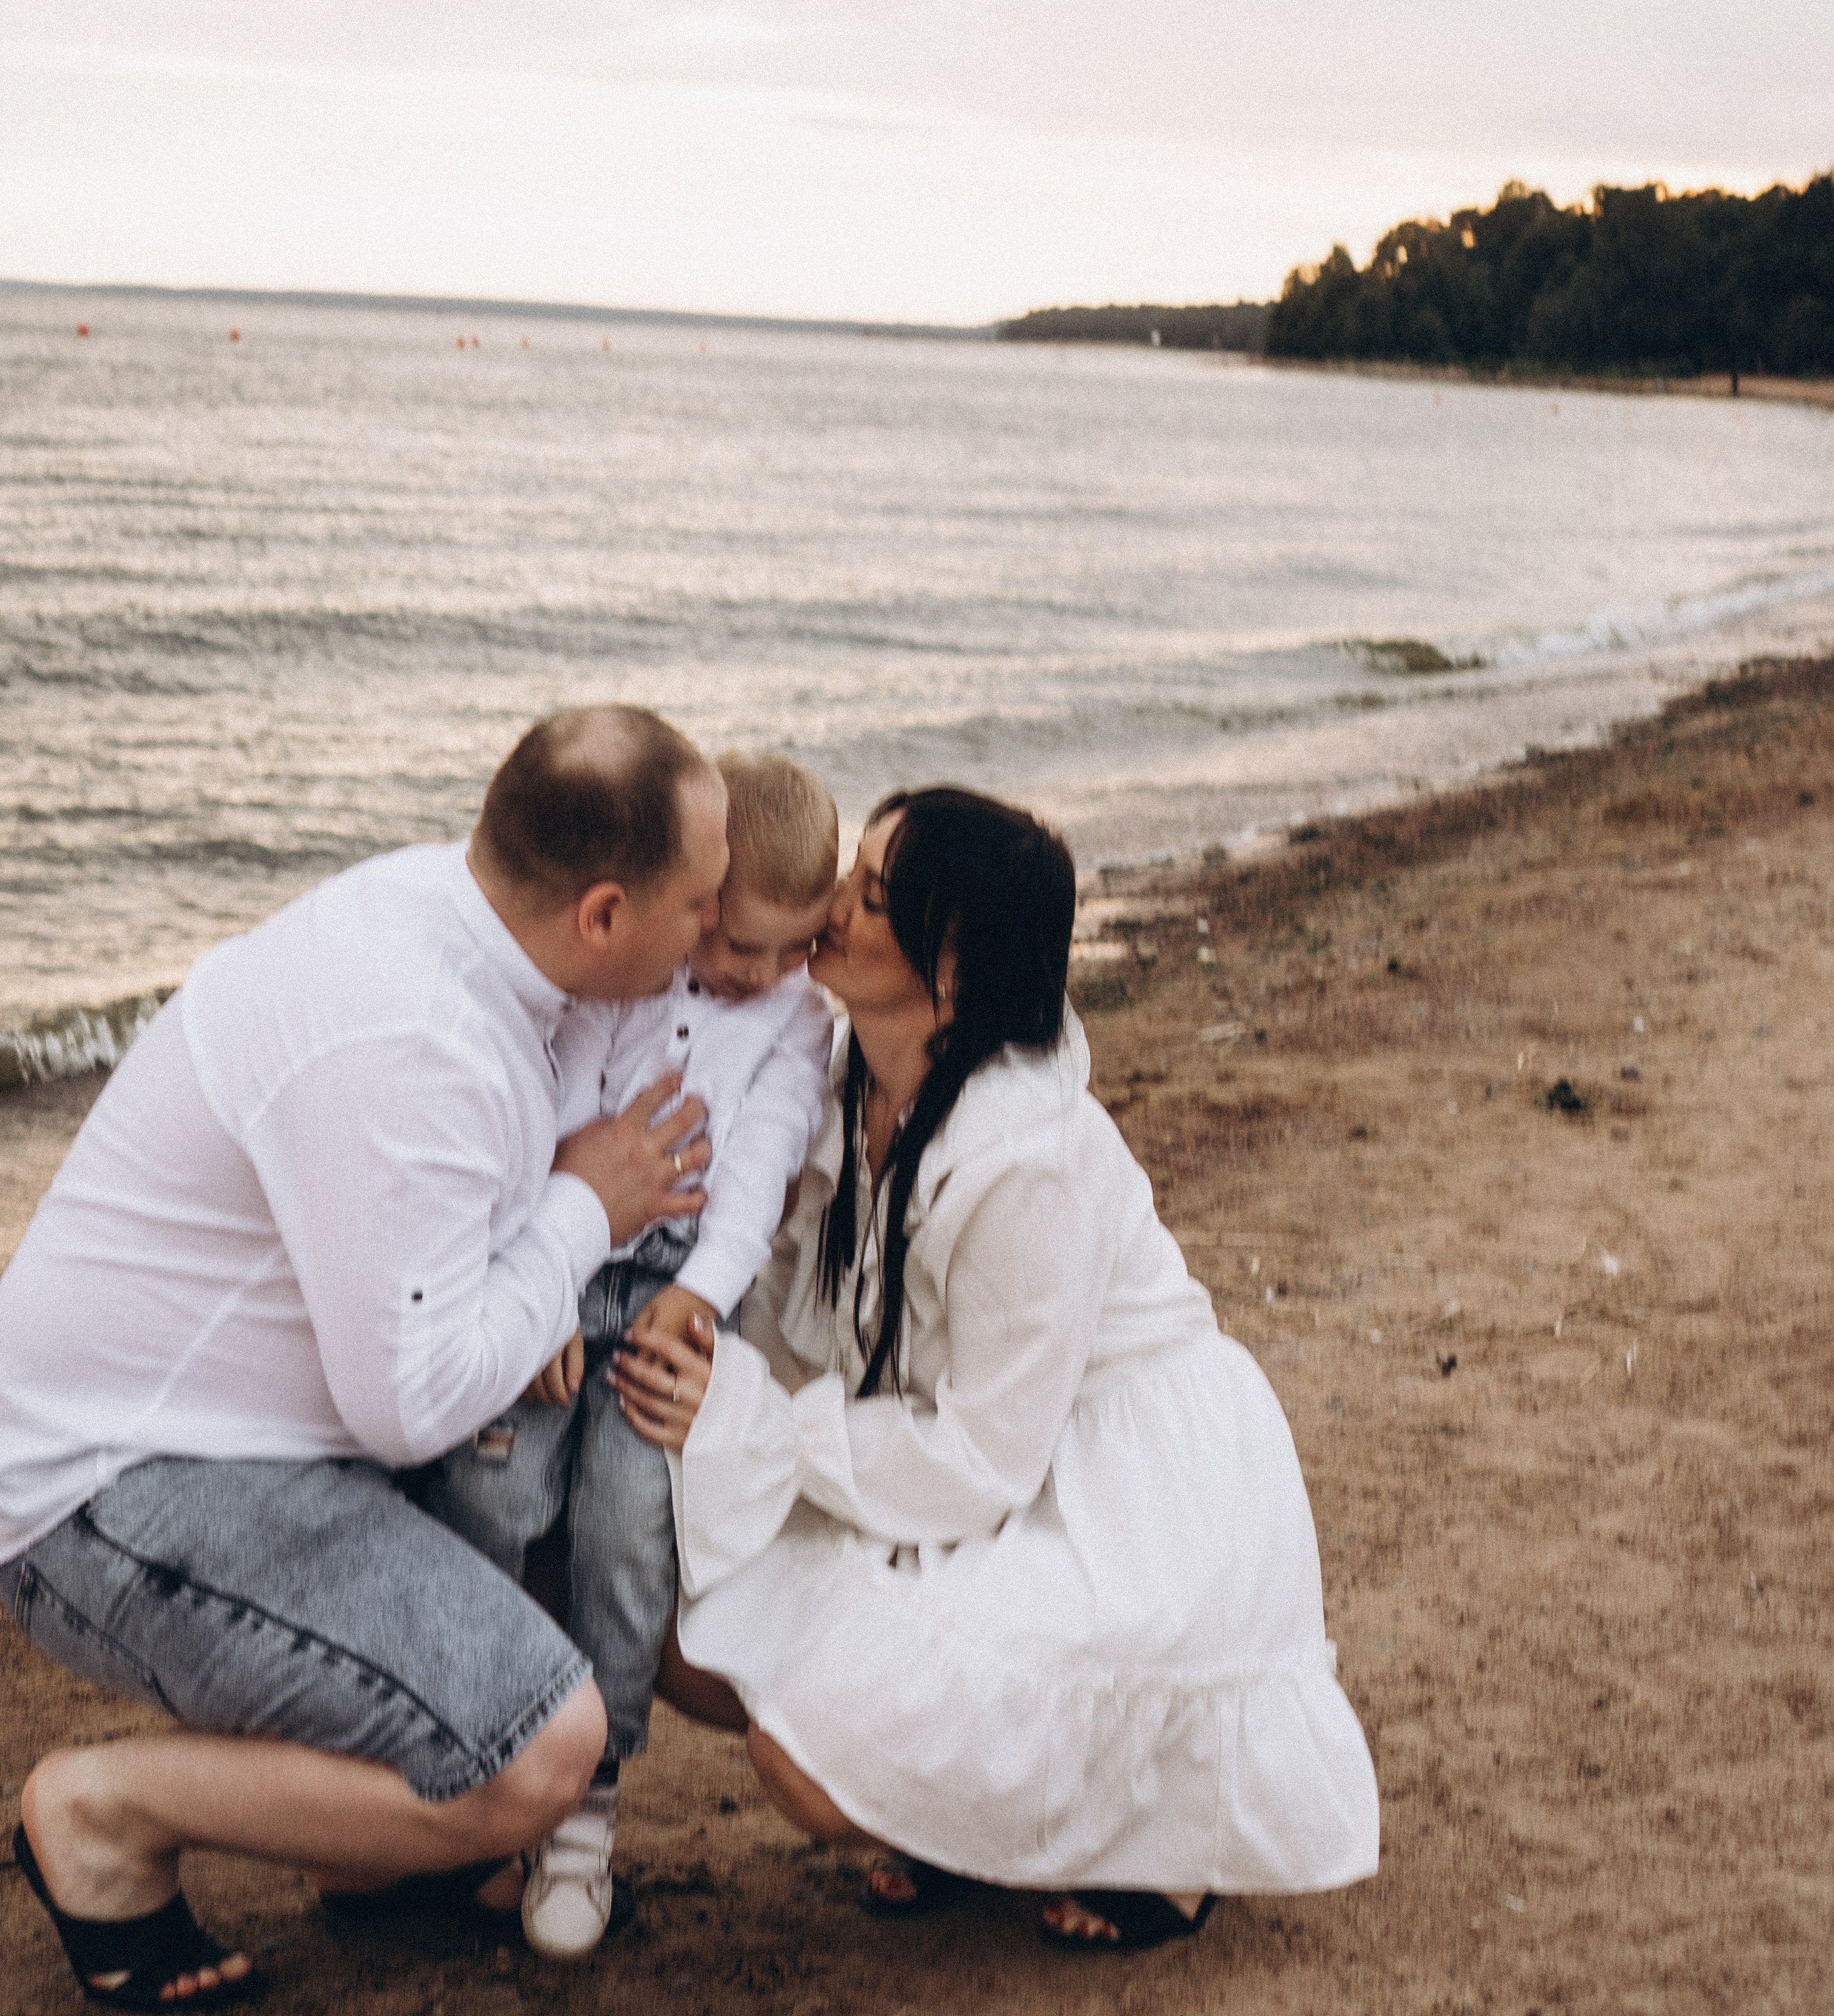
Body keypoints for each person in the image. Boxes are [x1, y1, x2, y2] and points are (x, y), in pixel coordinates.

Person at [0, 704, 728, 2009]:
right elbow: (414, 1403)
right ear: (605, 916)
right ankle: (103, 1818)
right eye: (701, 905)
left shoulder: (449, 921)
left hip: (251, 1438)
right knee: (537, 1747)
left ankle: (366, 1853)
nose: (715, 936)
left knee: (561, 1520)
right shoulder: (412, 1039)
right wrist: (586, 1211)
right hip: (115, 1488)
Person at [613, 787, 1381, 1955]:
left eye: (872, 898)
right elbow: (810, 1305)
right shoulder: (842, 1070)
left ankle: (1156, 1845)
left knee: (808, 1764)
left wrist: (756, 1429)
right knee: (683, 1627)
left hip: (1120, 1495)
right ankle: (966, 1821)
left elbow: (982, 1458)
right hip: (958, 1444)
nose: (828, 907)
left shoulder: (1028, 1160)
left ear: (955, 972)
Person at [428, 750, 839, 1959]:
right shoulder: (620, 984)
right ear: (696, 896)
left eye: (793, 948)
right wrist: (545, 1279)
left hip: (669, 1296)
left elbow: (761, 1165)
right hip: (560, 1266)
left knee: (623, 1526)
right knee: (494, 1489)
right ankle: (483, 1759)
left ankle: (583, 1816)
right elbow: (546, 1117)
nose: (757, 973)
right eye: (735, 940)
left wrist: (702, 1295)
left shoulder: (794, 1023)